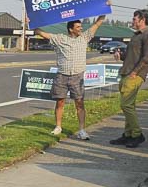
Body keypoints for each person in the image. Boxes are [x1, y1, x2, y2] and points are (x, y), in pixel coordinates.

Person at [32, 9, 108, 139]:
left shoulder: (84, 38)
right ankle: (58, 127)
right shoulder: (60, 39)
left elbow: (97, 24)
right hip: (62, 76)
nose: (81, 28)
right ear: (71, 29)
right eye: (78, 27)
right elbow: (42, 33)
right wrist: (31, 23)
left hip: (77, 77)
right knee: (60, 102)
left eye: (81, 26)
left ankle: (82, 130)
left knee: (79, 103)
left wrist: (103, 9)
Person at [109, 9, 148, 148]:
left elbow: (146, 57)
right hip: (126, 72)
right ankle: (128, 135)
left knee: (125, 105)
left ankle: (137, 134)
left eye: (134, 19)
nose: (132, 21)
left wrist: (135, 72)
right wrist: (121, 56)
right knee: (128, 106)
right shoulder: (135, 35)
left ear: (142, 20)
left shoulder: (146, 35)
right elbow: (132, 55)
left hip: (135, 74)